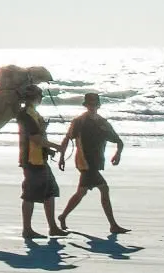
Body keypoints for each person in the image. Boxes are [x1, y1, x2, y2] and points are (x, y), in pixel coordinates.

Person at [57, 92, 128, 235]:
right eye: (90, 104)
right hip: (84, 162)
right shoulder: (78, 121)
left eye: (95, 104)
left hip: (96, 162)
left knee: (81, 192)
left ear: (98, 105)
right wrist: (62, 157)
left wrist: (118, 154)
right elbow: (67, 139)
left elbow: (119, 141)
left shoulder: (103, 122)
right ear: (86, 105)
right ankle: (113, 225)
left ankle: (63, 216)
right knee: (104, 188)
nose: (92, 106)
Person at [18, 85, 61, 238]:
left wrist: (47, 149)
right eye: (39, 96)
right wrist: (56, 146)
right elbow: (35, 139)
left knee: (50, 192)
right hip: (31, 160)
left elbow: (39, 136)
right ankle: (27, 230)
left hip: (39, 159)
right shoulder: (26, 115)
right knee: (29, 195)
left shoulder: (32, 113)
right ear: (34, 97)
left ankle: (53, 227)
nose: (41, 98)